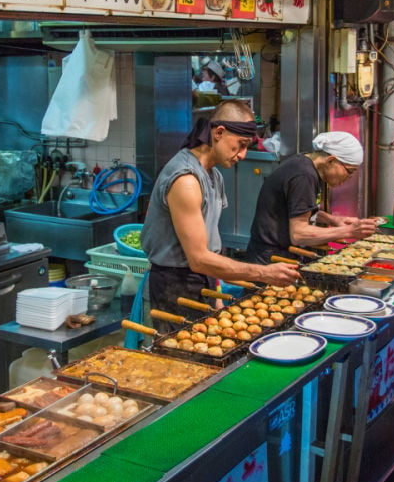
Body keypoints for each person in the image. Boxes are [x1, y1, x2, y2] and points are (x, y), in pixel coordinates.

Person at [141, 100, 299, 330]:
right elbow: (199, 259)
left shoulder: (213, 175)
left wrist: (216, 292)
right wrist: (263, 273)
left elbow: (210, 245)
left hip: (202, 281)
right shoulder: (186, 180)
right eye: (241, 145)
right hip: (173, 289)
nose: (243, 155)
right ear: (219, 133)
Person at [245, 131, 378, 264]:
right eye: (349, 171)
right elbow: (299, 234)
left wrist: (333, 220)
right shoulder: (303, 176)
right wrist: (348, 231)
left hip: (277, 253)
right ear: (331, 160)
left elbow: (299, 210)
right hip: (270, 259)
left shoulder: (305, 164)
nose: (348, 178)